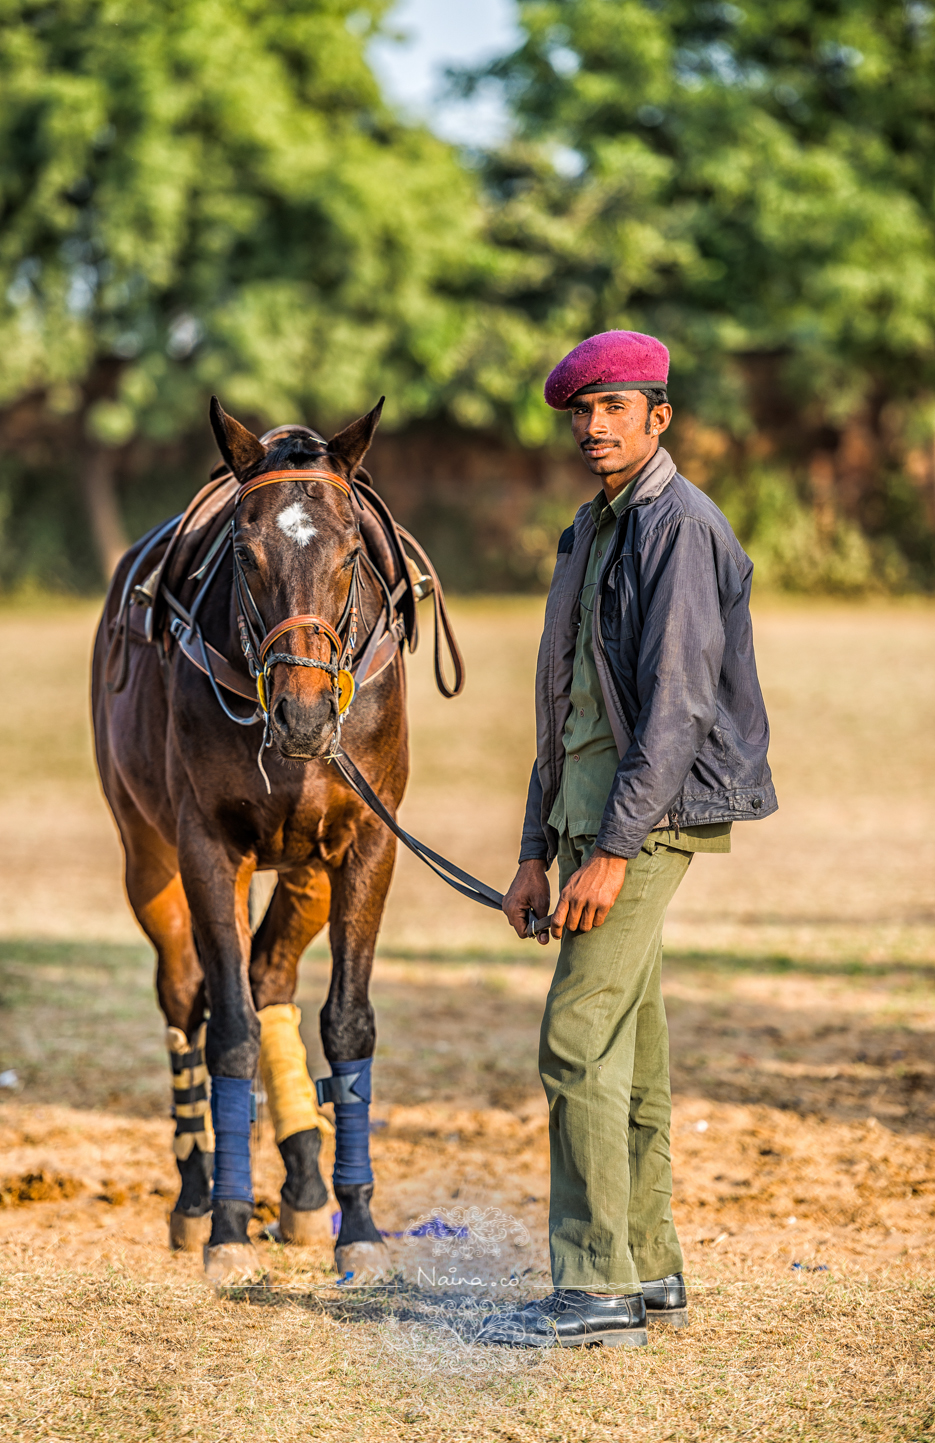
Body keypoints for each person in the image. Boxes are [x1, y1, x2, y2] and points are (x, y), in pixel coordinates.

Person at [477, 330, 776, 1349]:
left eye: (615, 406)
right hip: (584, 822)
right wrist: (533, 850)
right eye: (581, 409)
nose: (593, 425)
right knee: (629, 1058)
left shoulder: (676, 526)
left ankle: (592, 1289)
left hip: (642, 826)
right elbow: (564, 703)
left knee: (573, 1042)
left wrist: (607, 854)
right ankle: (646, 1273)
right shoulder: (590, 527)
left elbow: (678, 705)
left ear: (659, 416)